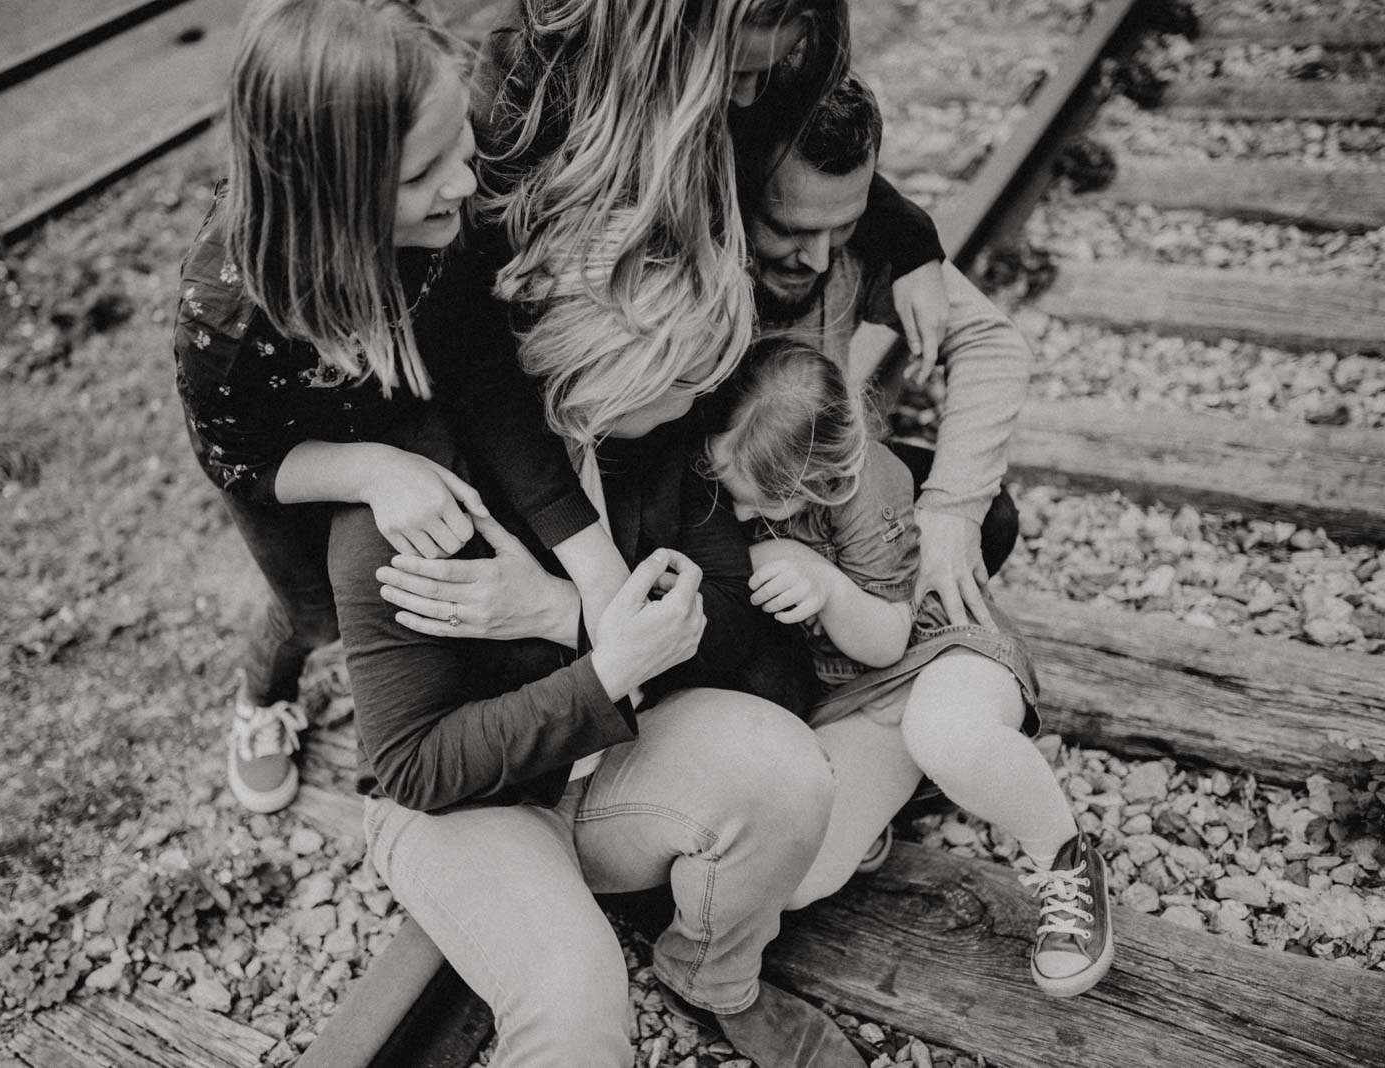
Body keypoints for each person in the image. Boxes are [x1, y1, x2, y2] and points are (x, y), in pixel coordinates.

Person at [349, 244, 868, 1067]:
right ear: (612, 374)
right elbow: (414, 766)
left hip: (611, 769)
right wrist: (608, 668)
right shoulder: (417, 495)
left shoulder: (651, 445)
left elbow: (731, 618)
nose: (705, 396)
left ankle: (710, 978)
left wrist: (565, 615)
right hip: (475, 808)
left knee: (788, 770)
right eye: (685, 380)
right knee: (577, 1004)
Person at [171, 0, 628, 815]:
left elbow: (487, 380)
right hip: (295, 463)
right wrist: (373, 470)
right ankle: (264, 697)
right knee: (314, 613)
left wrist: (592, 566)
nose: (463, 180)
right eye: (420, 174)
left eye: (461, 141)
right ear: (324, 196)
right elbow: (236, 459)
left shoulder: (451, 209)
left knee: (427, 551)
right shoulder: (228, 319)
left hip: (404, 403)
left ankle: (434, 680)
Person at [706, 337, 1114, 998]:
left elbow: (889, 642)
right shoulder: (744, 464)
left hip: (940, 649)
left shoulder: (871, 485)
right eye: (732, 492)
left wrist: (828, 586)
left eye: (760, 502)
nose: (743, 514)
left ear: (824, 480)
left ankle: (1065, 858)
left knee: (947, 734)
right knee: (791, 876)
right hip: (856, 699)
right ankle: (895, 797)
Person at [473, 0, 955, 389]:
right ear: (669, 28)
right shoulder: (531, 77)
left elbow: (804, 174)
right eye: (734, 70)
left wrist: (911, 243)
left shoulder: (725, 67)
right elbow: (487, 296)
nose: (746, 98)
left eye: (761, 72)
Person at [730, 70, 1030, 628]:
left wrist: (951, 513)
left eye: (843, 226)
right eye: (789, 228)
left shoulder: (872, 242)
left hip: (815, 506)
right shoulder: (693, 256)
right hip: (720, 521)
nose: (818, 260)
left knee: (990, 518)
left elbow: (992, 343)